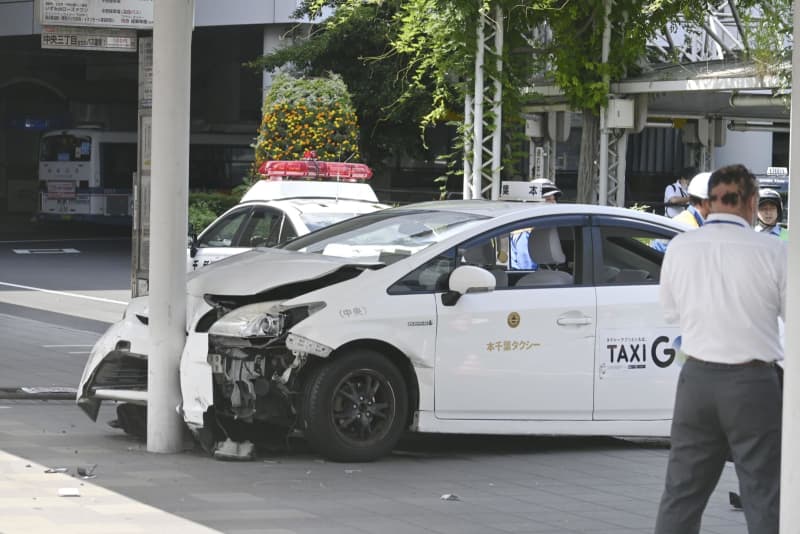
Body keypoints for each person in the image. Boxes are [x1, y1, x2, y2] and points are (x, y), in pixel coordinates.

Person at [654, 164, 785, 534]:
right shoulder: (772, 251)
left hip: (696, 378)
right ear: (751, 202)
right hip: (753, 381)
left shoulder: (680, 247)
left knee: (682, 492)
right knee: (761, 490)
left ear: (709, 203)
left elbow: (670, 312)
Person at [509, 179, 561, 269]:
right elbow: (527, 270)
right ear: (534, 203)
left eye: (554, 200)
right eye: (548, 200)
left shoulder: (540, 229)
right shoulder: (525, 231)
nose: (554, 204)